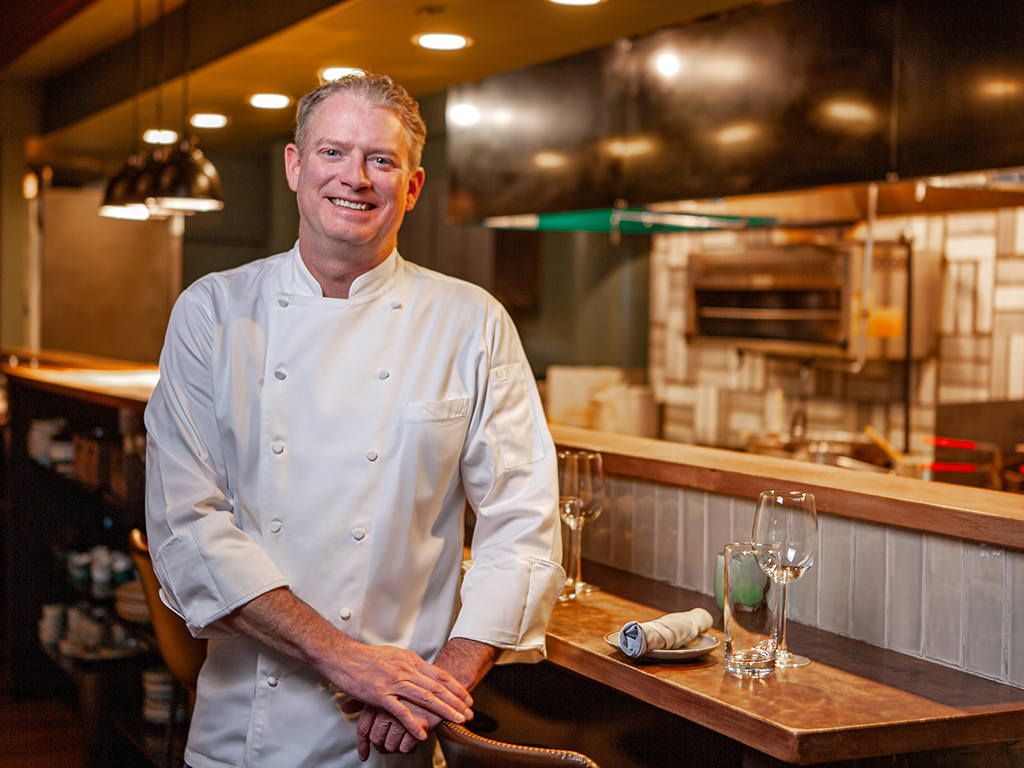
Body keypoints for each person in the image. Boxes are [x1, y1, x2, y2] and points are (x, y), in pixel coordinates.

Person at [144, 72, 564, 768]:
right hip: (243, 733)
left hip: (394, 729)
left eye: (381, 160)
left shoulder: (473, 323)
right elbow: (189, 528)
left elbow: (523, 525)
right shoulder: (213, 312)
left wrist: (440, 685)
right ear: (294, 165)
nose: (356, 179)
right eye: (333, 153)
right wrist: (343, 659)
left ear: (414, 185)